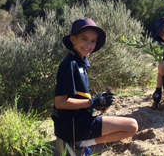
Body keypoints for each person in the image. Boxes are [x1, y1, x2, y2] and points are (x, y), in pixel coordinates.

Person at [51, 18, 138, 154]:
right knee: (131, 126)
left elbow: (77, 97)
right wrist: (92, 103)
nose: (89, 45)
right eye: (84, 39)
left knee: (130, 126)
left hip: (77, 121)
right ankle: (83, 142)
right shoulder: (69, 64)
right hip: (73, 126)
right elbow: (60, 103)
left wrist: (97, 104)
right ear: (73, 39)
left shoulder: (81, 61)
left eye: (93, 41)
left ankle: (83, 142)